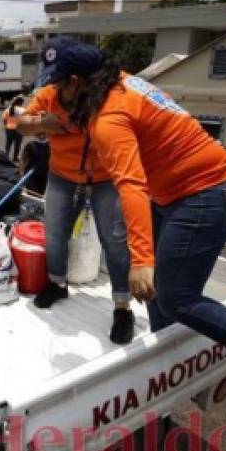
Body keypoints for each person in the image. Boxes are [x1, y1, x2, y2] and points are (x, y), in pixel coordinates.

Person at [40, 42, 226, 429]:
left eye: (59, 87)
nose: (57, 96)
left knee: (177, 296)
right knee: (161, 293)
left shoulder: (109, 118)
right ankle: (166, 366)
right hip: (184, 192)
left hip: (206, 194)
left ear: (76, 82)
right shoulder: (123, 82)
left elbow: (131, 186)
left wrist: (141, 259)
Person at [18, 36, 135, 345]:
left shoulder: (107, 96)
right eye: (57, 80)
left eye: (66, 81)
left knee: (114, 240)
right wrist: (42, 122)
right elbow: (19, 123)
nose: (61, 87)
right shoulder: (50, 94)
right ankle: (57, 284)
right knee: (55, 233)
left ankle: (122, 306)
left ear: (80, 78)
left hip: (104, 178)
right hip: (61, 176)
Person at [2, 96, 25, 161]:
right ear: (21, 103)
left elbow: (4, 119)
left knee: (8, 143)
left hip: (9, 128)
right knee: (17, 144)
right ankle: (15, 157)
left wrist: (5, 126)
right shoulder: (23, 110)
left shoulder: (8, 109)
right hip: (19, 129)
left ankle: (6, 157)